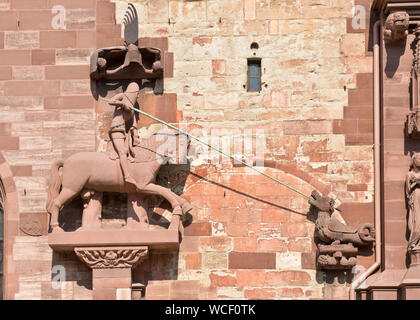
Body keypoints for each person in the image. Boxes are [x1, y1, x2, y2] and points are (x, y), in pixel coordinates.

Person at [108, 82, 141, 188]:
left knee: (131, 153)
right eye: (137, 93)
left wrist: (135, 133)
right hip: (116, 129)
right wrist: (122, 104)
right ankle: (127, 177)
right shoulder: (122, 96)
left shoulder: (133, 106)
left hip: (124, 131)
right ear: (133, 92)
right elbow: (111, 101)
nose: (138, 96)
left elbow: (133, 121)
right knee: (123, 152)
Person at [406, 152, 420, 250]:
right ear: (413, 161)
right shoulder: (409, 174)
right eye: (418, 158)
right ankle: (414, 241)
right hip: (415, 197)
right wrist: (415, 183)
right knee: (416, 219)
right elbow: (408, 190)